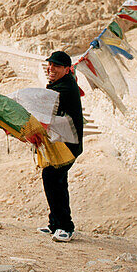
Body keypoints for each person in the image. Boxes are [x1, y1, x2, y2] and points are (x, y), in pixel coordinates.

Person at [38, 50, 84, 242]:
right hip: (61, 142)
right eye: (50, 65)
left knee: (52, 177)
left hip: (68, 144)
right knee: (55, 179)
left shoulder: (64, 88)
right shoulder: (60, 84)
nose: (51, 68)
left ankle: (66, 227)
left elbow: (44, 105)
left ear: (67, 69)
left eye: (56, 66)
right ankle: (55, 224)